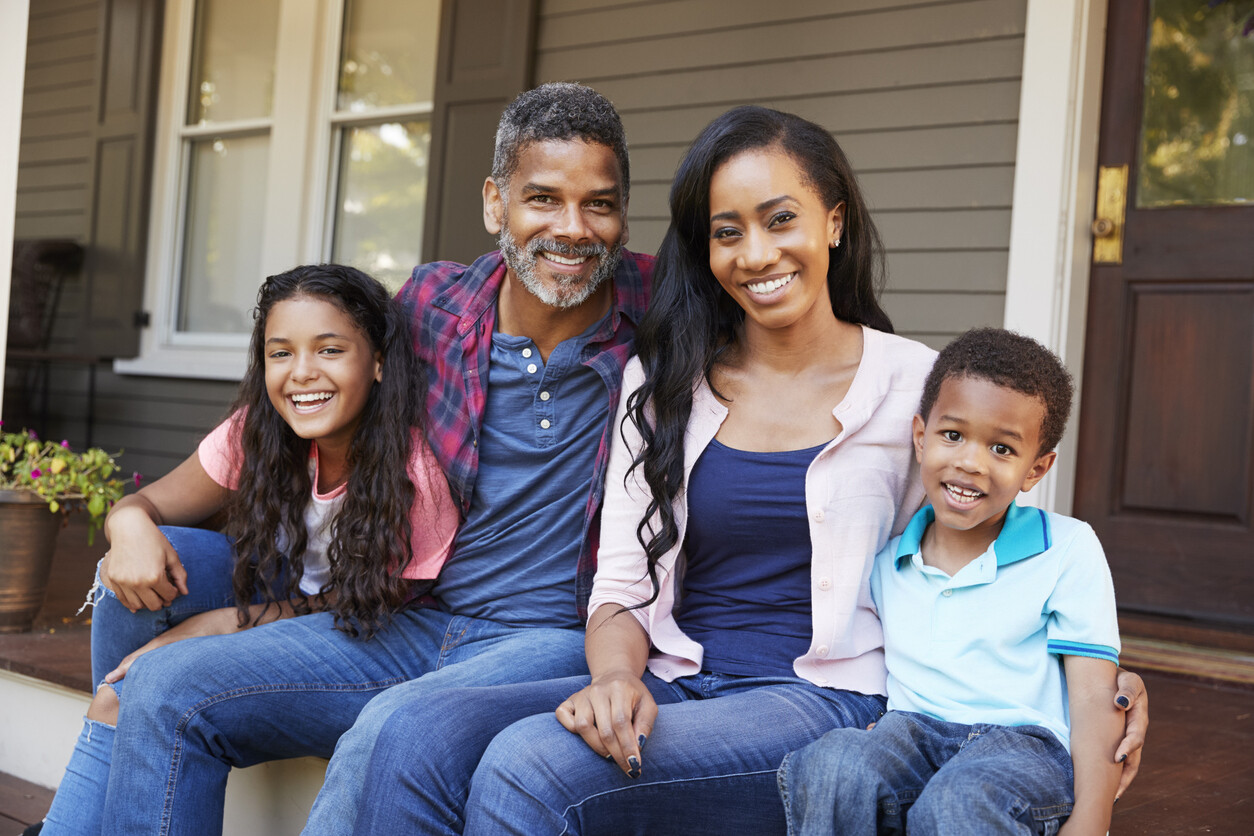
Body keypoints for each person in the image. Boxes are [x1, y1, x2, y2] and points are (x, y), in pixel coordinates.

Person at [347, 107, 1147, 835]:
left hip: (829, 704)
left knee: (529, 770)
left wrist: (1100, 683)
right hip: (678, 679)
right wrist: (619, 677)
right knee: (414, 734)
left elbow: (995, 547)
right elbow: (622, 582)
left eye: (781, 220)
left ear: (833, 222)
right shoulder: (664, 382)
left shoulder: (918, 387)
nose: (755, 253)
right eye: (727, 232)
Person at [88, 82, 653, 835]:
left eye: (600, 204)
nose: (573, 229)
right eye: (543, 199)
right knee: (160, 686)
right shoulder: (429, 309)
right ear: (495, 204)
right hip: (406, 619)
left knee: (388, 731)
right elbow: (304, 387)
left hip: (551, 640)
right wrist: (135, 516)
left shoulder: (665, 309)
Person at [28, 263, 459, 836]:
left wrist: (221, 624)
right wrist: (127, 528)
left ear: (378, 360)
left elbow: (371, 611)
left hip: (365, 636)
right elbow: (145, 505)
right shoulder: (255, 431)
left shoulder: (414, 472)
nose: (302, 374)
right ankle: (110, 732)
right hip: (277, 595)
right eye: (280, 354)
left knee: (136, 693)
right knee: (133, 583)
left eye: (329, 350)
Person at [777, 327, 1124, 835]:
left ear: (1037, 468)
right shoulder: (885, 561)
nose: (969, 462)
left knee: (960, 799)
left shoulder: (1067, 549)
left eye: (1003, 449)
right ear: (921, 437)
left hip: (1022, 746)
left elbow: (1096, 697)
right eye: (953, 435)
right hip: (911, 734)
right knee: (833, 765)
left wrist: (1093, 819)